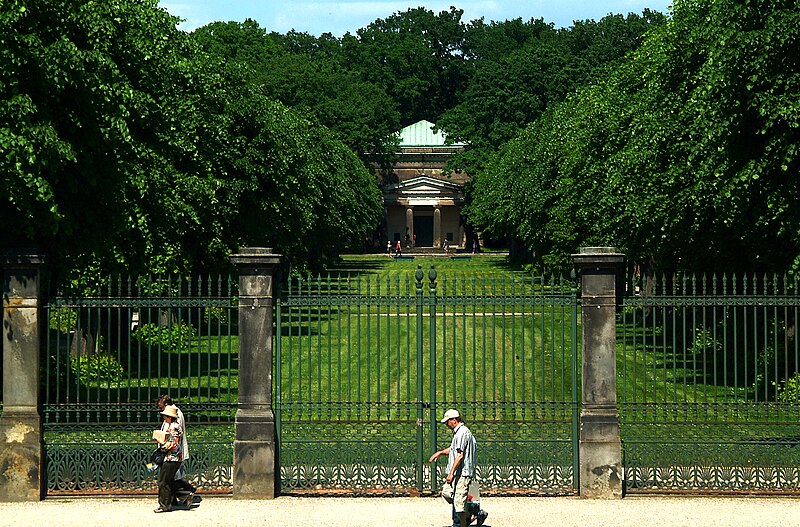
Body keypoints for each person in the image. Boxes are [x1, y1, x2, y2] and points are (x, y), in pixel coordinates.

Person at [429, 409, 488, 527]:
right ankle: (474, 513)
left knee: (459, 502)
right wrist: (440, 453)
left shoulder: (463, 433)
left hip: (463, 473)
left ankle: (461, 523)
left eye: (447, 421)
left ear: (454, 420)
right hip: (458, 472)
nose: (446, 424)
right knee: (447, 494)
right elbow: (453, 450)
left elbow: (460, 455)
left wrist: (451, 473)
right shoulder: (459, 433)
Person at [157, 395, 196, 506]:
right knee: (170, 479)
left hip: (171, 456)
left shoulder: (174, 422)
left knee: (168, 480)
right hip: (173, 456)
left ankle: (186, 493)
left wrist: (162, 445)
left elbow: (173, 442)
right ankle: (174, 499)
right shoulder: (173, 421)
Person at [154, 405, 183, 513]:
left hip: (172, 458)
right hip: (173, 458)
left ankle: (164, 505)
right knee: (168, 481)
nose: (164, 418)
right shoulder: (173, 426)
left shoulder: (174, 427)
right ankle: (169, 503)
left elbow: (174, 444)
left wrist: (162, 443)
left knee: (163, 482)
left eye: (165, 416)